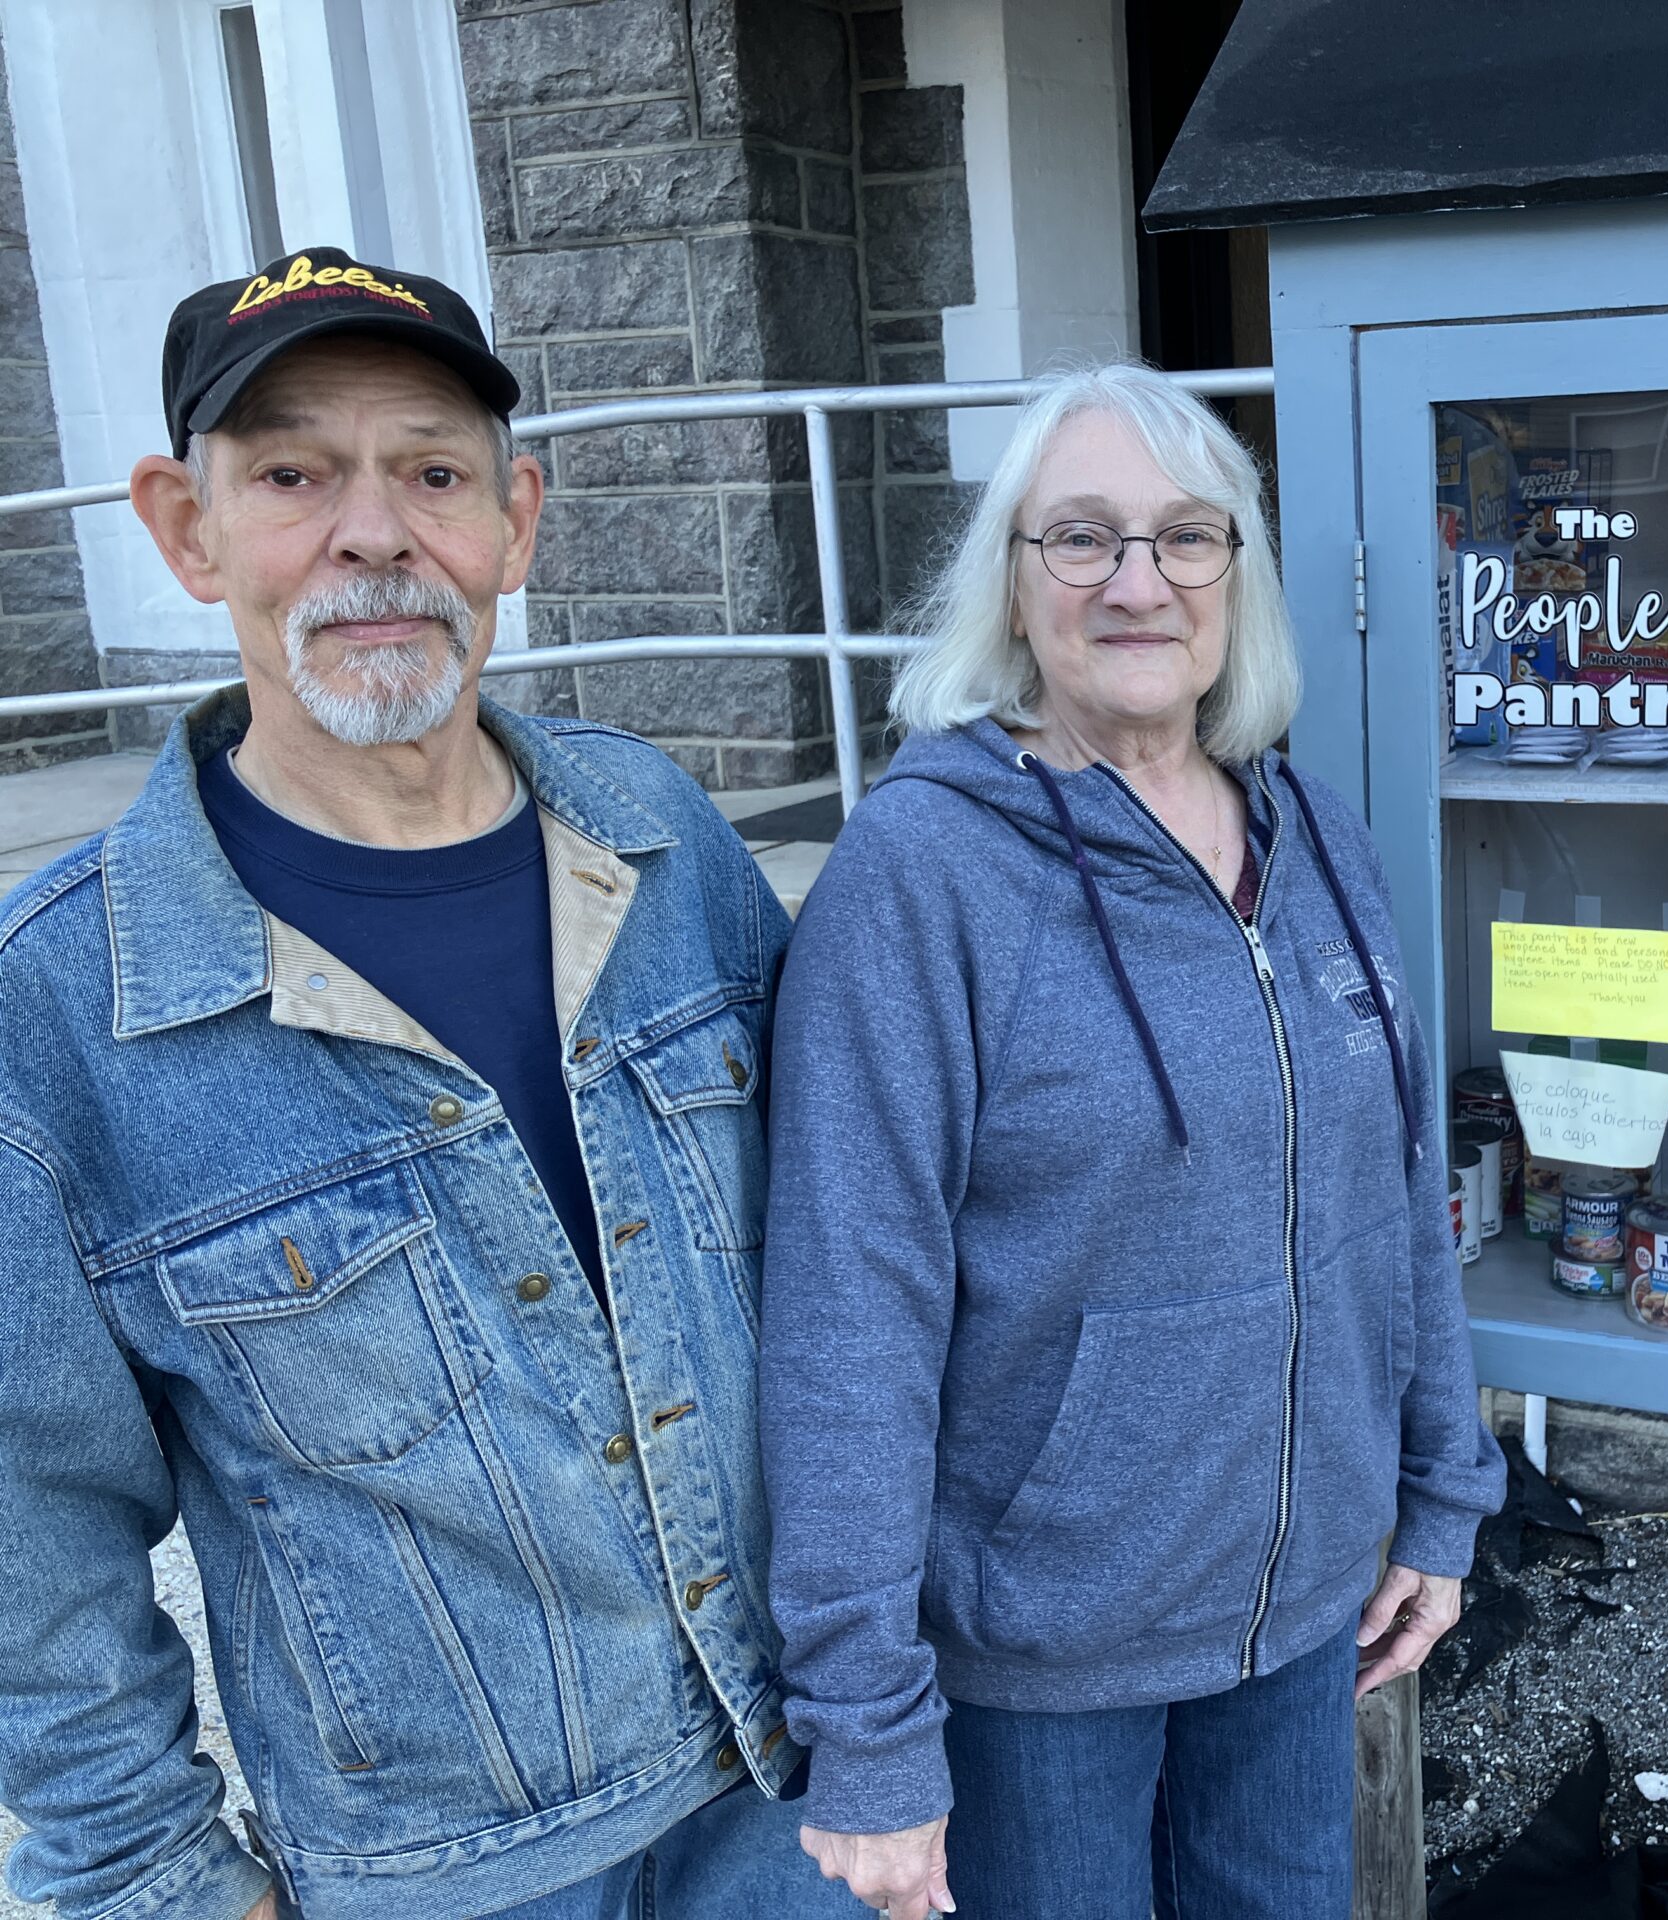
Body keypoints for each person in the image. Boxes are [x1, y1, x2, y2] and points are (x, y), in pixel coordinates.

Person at [0, 249, 822, 1917]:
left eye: (432, 474)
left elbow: (849, 1266)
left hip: (799, 1801)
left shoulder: (665, 847)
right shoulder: (60, 1010)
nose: (374, 532)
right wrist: (160, 1879)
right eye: (295, 474)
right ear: (184, 525)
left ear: (514, 522)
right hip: (446, 1879)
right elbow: (31, 1534)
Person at [761, 362, 1506, 1919]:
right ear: (1013, 585)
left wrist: (1443, 1493)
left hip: (1305, 1608)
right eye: (1081, 538)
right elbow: (849, 1316)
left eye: (1185, 537)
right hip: (1047, 1650)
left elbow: (1395, 1193)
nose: (1137, 581)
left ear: (1237, 578)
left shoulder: (1312, 834)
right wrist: (867, 1729)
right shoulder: (923, 877)